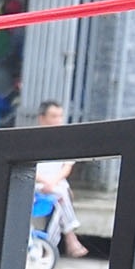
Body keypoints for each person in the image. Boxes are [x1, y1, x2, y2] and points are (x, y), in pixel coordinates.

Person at [30, 99, 88, 258]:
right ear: (42, 118)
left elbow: (66, 167)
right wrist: (45, 182)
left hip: (57, 185)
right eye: (53, 116)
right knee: (60, 195)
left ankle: (48, 247)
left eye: (60, 116)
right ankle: (70, 237)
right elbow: (29, 169)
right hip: (37, 185)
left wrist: (52, 182)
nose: (58, 120)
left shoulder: (67, 140)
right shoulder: (31, 140)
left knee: (58, 199)